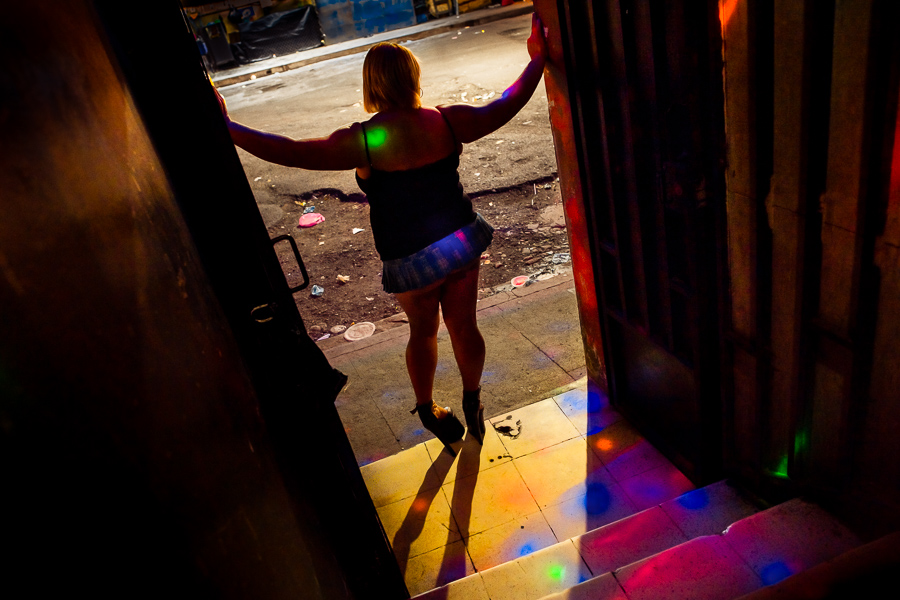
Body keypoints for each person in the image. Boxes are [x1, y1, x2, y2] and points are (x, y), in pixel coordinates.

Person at [216, 14, 549, 454]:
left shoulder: (364, 141)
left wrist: (228, 126)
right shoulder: (446, 122)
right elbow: (507, 103)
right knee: (464, 327)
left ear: (372, 85)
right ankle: (473, 402)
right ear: (412, 77)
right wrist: (538, 60)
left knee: (423, 332)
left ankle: (429, 409)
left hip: (410, 259)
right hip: (460, 242)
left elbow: (291, 152)